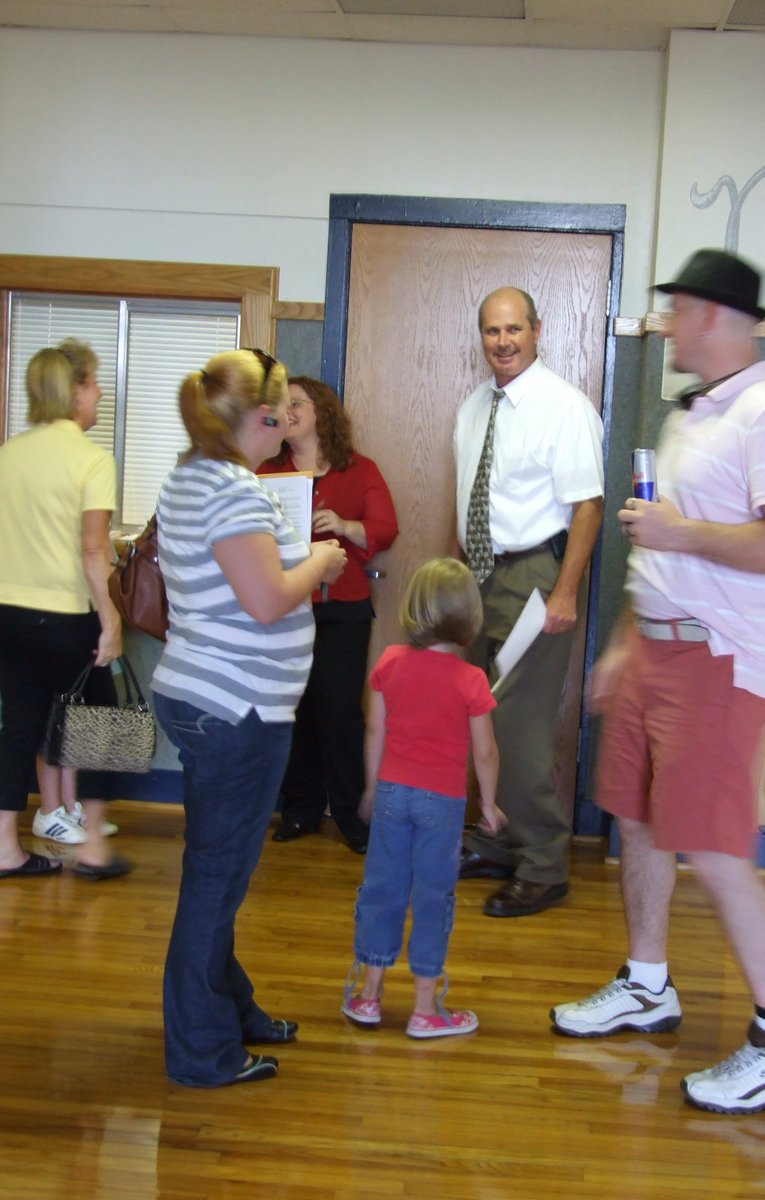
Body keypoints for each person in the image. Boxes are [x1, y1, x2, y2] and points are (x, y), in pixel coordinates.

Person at [550, 249, 765, 1115]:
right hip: (656, 651)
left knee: (712, 848)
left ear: (711, 314)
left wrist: (683, 535)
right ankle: (646, 985)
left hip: (720, 661)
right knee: (635, 816)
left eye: (676, 310)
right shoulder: (695, 413)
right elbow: (662, 551)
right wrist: (624, 644)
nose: (668, 326)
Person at [151, 348, 347, 1087]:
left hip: (212, 698)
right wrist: (321, 563)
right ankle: (202, 1053)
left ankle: (233, 1011)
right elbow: (266, 600)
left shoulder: (193, 474)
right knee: (215, 880)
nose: (291, 418)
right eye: (284, 408)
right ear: (261, 417)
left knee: (220, 873)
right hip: (236, 708)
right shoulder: (232, 489)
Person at [453, 286, 605, 917]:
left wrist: (564, 592)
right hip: (480, 576)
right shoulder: (474, 407)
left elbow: (588, 505)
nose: (503, 341)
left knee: (516, 722)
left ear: (537, 331)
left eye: (514, 329)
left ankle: (543, 865)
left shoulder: (564, 406)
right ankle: (499, 839)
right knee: (480, 715)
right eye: (492, 331)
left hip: (538, 575)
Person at [342, 558, 503, 1037]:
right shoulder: (472, 680)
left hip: (392, 794)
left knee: (383, 889)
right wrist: (489, 805)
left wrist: (370, 790)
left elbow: (375, 730)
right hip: (442, 805)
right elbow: (486, 752)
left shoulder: (389, 662)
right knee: (433, 897)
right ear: (469, 617)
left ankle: (369, 996)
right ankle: (425, 1009)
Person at [0, 340, 128, 881]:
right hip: (67, 615)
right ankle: (93, 845)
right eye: (94, 382)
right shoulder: (91, 459)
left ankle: (5, 848)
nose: (98, 392)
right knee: (102, 721)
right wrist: (111, 619)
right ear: (74, 391)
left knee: (18, 728)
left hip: (8, 612)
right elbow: (95, 550)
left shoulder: (9, 452)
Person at [259, 376, 398, 853]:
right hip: (284, 606)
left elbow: (386, 529)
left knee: (339, 714)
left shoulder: (359, 469)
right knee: (292, 710)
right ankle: (300, 810)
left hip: (342, 610)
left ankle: (351, 814)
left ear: (322, 412)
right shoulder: (266, 471)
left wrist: (344, 525)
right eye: (283, 404)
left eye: (296, 403)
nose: (288, 411)